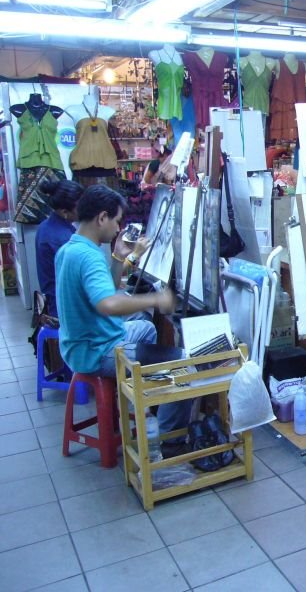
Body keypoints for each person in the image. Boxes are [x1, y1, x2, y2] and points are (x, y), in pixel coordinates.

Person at [55, 185, 191, 451]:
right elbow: (108, 303)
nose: (119, 228)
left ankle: (150, 404)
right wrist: (156, 299)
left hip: (82, 343)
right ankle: (170, 444)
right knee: (184, 363)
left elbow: (109, 286)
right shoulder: (88, 257)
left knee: (145, 329)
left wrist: (120, 256)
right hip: (96, 352)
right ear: (102, 217)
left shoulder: (72, 248)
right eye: (117, 221)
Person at [35, 180, 84, 317]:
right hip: (64, 308)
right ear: (64, 212)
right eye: (80, 206)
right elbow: (79, 280)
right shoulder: (61, 238)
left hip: (55, 299)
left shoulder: (46, 226)